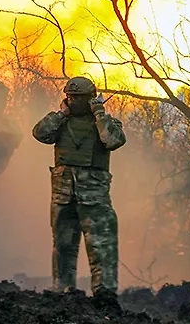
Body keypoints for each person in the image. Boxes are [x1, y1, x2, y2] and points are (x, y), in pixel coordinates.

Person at [32, 76, 126, 306]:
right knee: (63, 246)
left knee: (101, 247)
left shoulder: (105, 123)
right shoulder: (60, 122)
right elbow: (40, 133)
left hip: (94, 198)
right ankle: (62, 290)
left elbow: (112, 140)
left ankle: (105, 295)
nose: (73, 101)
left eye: (79, 97)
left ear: (91, 99)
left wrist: (99, 114)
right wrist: (61, 114)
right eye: (70, 96)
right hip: (63, 195)